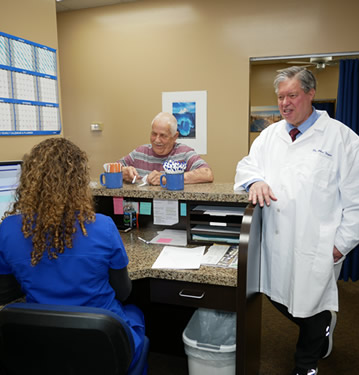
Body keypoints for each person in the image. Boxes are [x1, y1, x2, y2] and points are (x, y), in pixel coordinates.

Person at [234, 67, 359, 375]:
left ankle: (306, 364)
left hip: (318, 245)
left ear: (310, 94)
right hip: (275, 239)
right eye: (281, 96)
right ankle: (325, 320)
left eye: (292, 95)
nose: (284, 103)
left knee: (311, 305)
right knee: (276, 297)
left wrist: (340, 246)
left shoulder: (343, 140)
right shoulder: (270, 136)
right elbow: (246, 166)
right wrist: (254, 181)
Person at [0, 138, 145, 371]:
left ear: (30, 181)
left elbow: (5, 293)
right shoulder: (103, 226)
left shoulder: (8, 229)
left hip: (41, 343)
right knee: (136, 313)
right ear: (78, 182)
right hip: (101, 345)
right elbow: (123, 292)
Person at [119, 112, 214, 185]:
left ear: (175, 136)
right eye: (154, 134)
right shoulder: (139, 152)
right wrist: (122, 172)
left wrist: (166, 179)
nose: (157, 140)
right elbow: (111, 168)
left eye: (163, 136)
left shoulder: (185, 153)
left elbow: (207, 174)